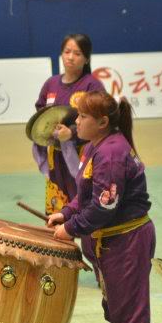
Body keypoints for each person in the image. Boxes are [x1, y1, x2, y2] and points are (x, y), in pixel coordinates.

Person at [46, 91, 156, 323]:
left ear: (102, 122)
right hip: (110, 239)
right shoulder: (98, 147)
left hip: (127, 239)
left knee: (129, 309)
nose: (75, 121)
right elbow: (88, 194)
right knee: (114, 302)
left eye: (81, 117)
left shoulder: (111, 153)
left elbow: (105, 207)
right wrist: (66, 212)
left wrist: (71, 228)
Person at [33, 33, 105, 215]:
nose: (71, 57)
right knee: (56, 214)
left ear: (87, 58)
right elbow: (41, 111)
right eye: (67, 52)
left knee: (85, 210)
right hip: (55, 159)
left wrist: (72, 134)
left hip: (83, 157)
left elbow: (99, 119)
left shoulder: (92, 86)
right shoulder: (51, 84)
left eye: (78, 53)